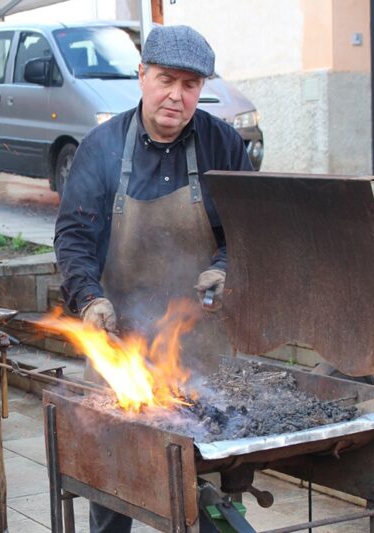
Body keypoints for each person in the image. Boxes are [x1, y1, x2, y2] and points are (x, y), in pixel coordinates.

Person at [54, 25, 253, 532]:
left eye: (190, 85)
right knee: (114, 483)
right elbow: (75, 236)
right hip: (120, 342)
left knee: (206, 491)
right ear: (142, 76)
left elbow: (251, 229)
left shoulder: (221, 144)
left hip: (198, 351)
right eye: (166, 80)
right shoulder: (101, 147)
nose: (176, 96)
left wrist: (227, 265)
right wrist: (88, 298)